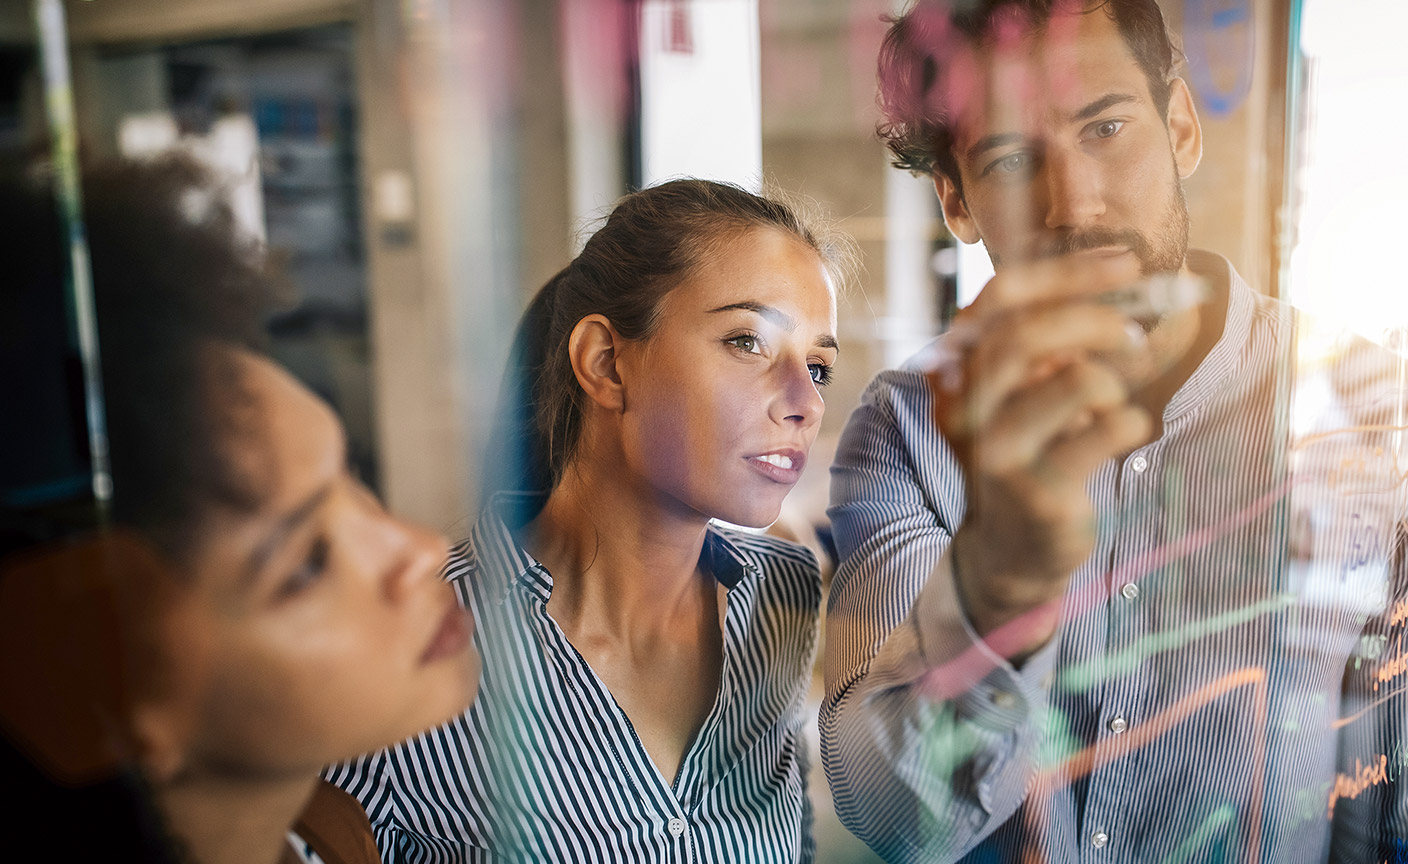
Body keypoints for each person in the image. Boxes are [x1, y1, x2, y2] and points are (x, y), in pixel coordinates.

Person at [820, 1, 1408, 861]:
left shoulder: (1398, 419)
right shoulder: (907, 426)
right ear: (957, 200)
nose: (1074, 204)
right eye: (1013, 159)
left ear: (1180, 128)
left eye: (1107, 127)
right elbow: (902, 824)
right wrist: (1001, 582)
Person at [327, 179, 851, 862]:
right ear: (606, 363)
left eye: (818, 367)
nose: (804, 402)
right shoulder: (412, 645)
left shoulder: (782, 596)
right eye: (748, 342)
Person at [0, 157, 481, 864]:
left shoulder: (336, 836)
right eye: (307, 564)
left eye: (354, 478)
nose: (422, 549)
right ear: (105, 680)